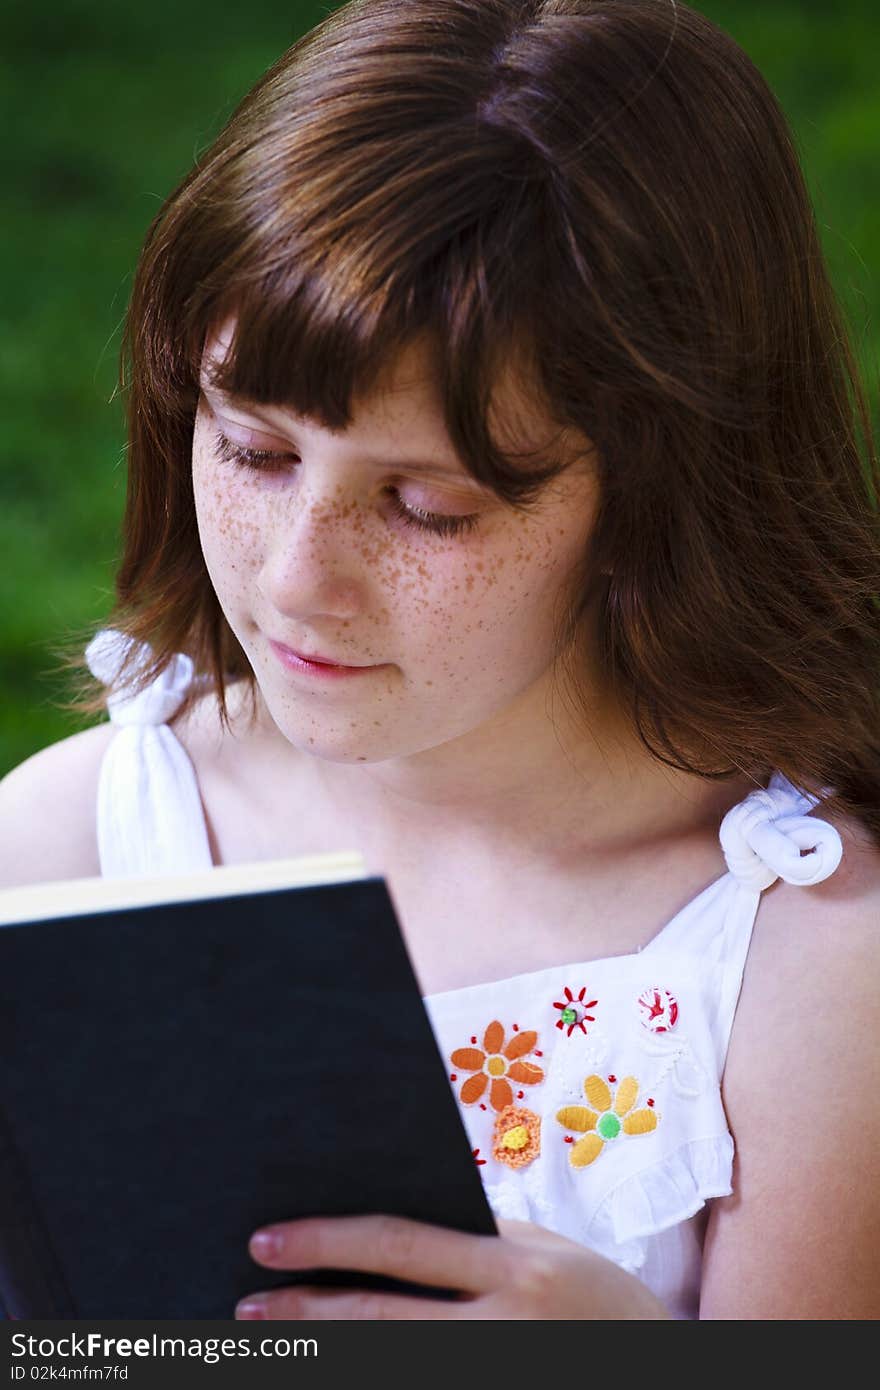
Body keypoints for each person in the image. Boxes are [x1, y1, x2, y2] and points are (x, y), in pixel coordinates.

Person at [1, 0, 878, 1320]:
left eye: (430, 507)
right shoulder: (76, 850)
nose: (298, 578)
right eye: (253, 450)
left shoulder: (811, 965)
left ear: (666, 497)